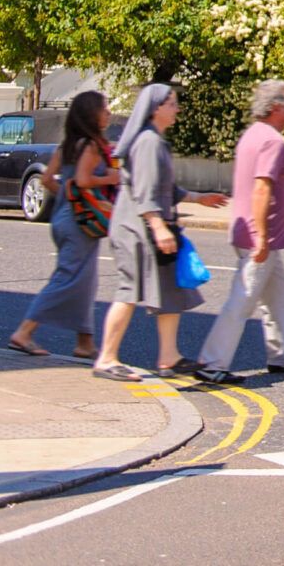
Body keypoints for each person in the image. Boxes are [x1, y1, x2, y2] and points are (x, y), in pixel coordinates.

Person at [92, 84, 227, 382]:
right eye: (172, 103)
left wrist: (197, 197)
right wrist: (158, 225)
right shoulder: (148, 142)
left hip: (147, 225)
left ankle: (169, 358)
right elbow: (144, 191)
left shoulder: (155, 140)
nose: (177, 109)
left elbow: (164, 187)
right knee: (129, 290)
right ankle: (106, 359)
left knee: (170, 289)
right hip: (135, 228)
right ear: (155, 108)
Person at [196, 81, 284, 383]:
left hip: (257, 234)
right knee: (243, 298)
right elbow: (262, 188)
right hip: (261, 236)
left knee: (278, 296)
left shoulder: (253, 135)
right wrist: (262, 237)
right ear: (276, 107)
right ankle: (212, 363)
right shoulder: (271, 141)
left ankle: (283, 356)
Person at [7, 91, 118, 358]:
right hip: (80, 224)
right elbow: (83, 180)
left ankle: (85, 343)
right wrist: (112, 177)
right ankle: (24, 332)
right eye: (104, 109)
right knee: (67, 278)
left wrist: (68, 199)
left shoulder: (67, 145)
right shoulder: (91, 146)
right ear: (91, 114)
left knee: (85, 281)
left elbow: (47, 180)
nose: (108, 113)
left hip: (63, 219)